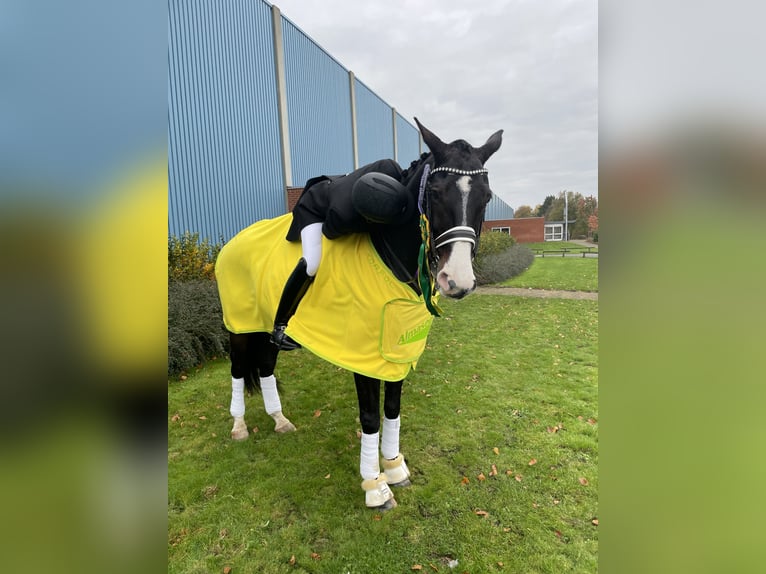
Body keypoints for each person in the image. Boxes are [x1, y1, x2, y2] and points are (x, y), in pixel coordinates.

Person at [270, 159, 414, 350]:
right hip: (315, 210)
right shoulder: (342, 215)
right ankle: (280, 325)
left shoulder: (393, 170)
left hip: (348, 193)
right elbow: (330, 233)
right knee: (311, 263)